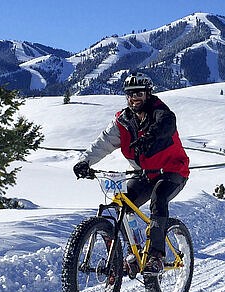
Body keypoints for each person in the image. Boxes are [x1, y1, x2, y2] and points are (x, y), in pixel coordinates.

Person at [73, 72, 189, 274]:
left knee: (158, 199)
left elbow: (166, 124)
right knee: (124, 203)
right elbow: (103, 143)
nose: (134, 98)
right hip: (144, 173)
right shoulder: (123, 121)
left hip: (172, 170)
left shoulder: (160, 113)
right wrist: (85, 161)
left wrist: (150, 137)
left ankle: (156, 256)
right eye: (130, 94)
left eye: (139, 93)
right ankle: (132, 252)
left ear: (148, 94)